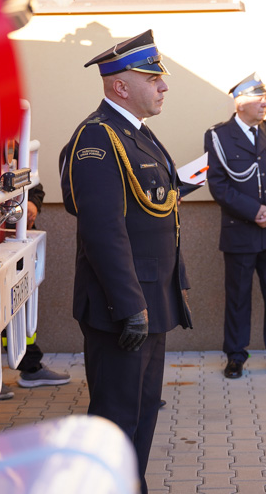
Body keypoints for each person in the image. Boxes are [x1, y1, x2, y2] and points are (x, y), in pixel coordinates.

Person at [59, 30, 193, 494]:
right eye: (151, 77)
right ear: (119, 86)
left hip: (150, 299)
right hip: (124, 308)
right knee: (116, 419)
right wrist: (129, 305)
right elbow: (102, 231)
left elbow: (150, 200)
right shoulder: (97, 138)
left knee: (141, 415)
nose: (163, 86)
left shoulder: (135, 133)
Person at [203, 73, 266, 379]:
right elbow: (217, 184)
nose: (264, 104)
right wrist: (254, 210)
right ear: (240, 102)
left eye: (265, 98)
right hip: (240, 230)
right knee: (238, 296)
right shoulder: (218, 135)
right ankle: (235, 355)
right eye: (258, 99)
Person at [0, 184, 70, 399]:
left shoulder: (15, 153)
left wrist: (32, 203)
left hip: (12, 240)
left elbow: (33, 185)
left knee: (19, 300)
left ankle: (30, 366)